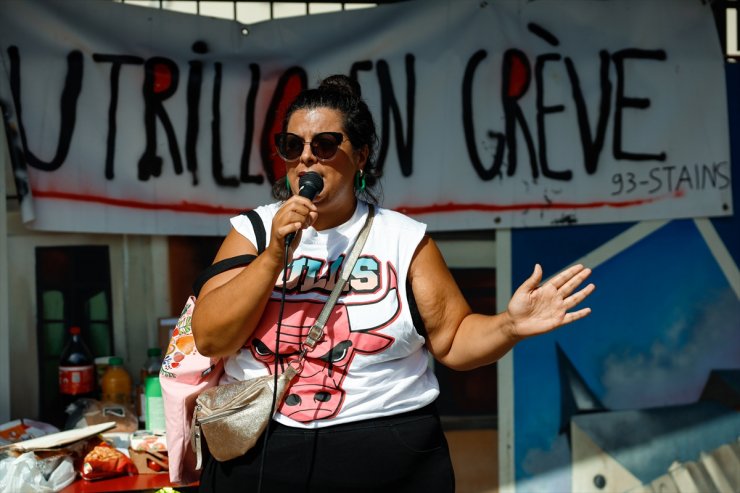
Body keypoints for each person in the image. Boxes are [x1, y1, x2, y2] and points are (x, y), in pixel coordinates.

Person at [191, 74, 595, 492]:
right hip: (264, 453)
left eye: (325, 145)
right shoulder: (254, 232)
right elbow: (211, 338)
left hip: (384, 455)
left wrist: (509, 326)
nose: (307, 159)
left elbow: (453, 341)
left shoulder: (402, 238)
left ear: (361, 155)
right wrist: (275, 254)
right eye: (293, 146)